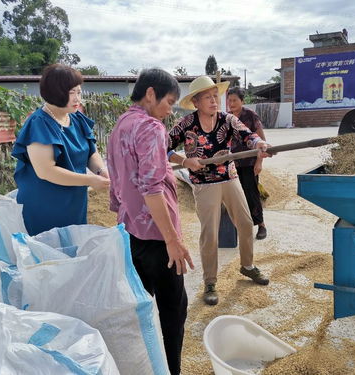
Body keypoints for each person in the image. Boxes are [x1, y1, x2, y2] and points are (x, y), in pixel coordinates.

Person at [107, 68, 194, 375]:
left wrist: (184, 160)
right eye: (169, 101)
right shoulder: (151, 127)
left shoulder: (121, 125)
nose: (170, 110)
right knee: (173, 313)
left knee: (142, 310)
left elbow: (120, 177)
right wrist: (173, 241)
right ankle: (170, 370)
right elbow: (151, 188)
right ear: (150, 93)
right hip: (158, 238)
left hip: (130, 233)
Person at [168, 75, 270, 306]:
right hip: (204, 184)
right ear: (196, 102)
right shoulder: (185, 125)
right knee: (210, 234)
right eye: (208, 97)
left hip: (229, 177)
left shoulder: (227, 119)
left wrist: (259, 145)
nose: (214, 101)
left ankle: (247, 266)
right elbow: (163, 147)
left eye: (216, 96)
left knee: (245, 223)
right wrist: (184, 161)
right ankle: (210, 281)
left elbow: (248, 135)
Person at [12, 64, 110, 236]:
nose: (77, 98)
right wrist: (89, 180)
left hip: (73, 201)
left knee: (72, 244)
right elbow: (46, 171)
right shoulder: (39, 123)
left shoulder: (77, 119)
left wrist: (100, 170)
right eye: (71, 93)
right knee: (49, 252)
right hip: (45, 203)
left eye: (79, 92)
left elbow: (91, 153)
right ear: (54, 92)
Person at [227, 87, 268, 240]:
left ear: (242, 101)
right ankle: (242, 227)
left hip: (250, 163)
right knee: (238, 196)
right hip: (233, 164)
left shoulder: (250, 115)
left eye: (234, 100)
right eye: (229, 100)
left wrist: (259, 162)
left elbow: (262, 141)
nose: (231, 103)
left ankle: (261, 225)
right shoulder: (227, 117)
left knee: (252, 194)